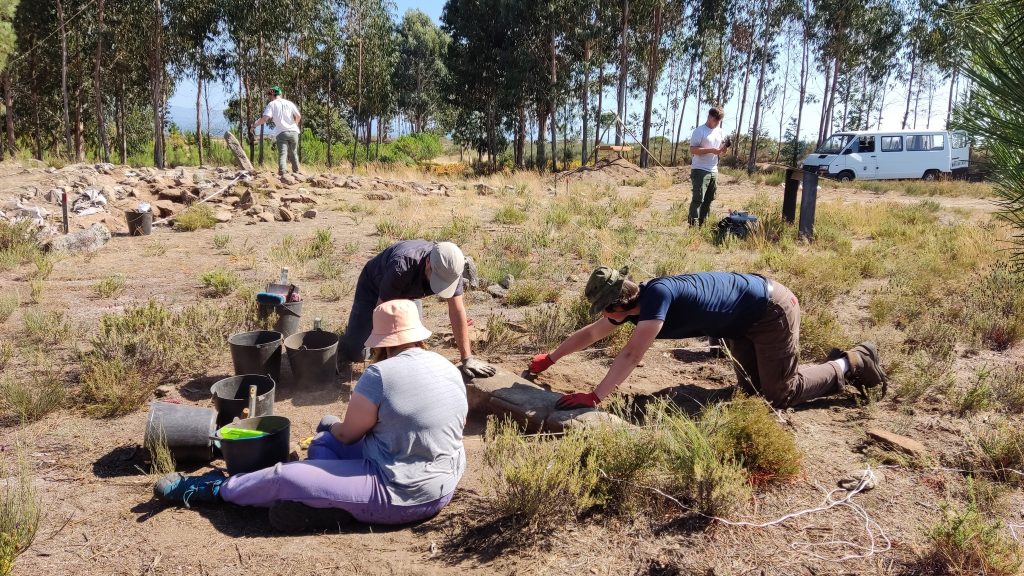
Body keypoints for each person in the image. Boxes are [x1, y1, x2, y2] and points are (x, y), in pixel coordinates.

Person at [154, 300, 468, 532]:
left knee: (288, 474)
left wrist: (332, 427)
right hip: (444, 483)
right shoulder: (446, 366)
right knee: (323, 438)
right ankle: (330, 506)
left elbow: (347, 435)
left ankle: (215, 489)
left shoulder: (381, 375)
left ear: (381, 342)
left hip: (398, 497)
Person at [528, 266, 887, 410]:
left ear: (621, 302)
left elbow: (630, 355)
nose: (605, 319)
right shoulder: (633, 304)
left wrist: (595, 396)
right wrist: (552, 358)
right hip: (740, 322)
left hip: (771, 311)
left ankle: (852, 361)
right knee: (752, 394)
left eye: (607, 311)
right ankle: (805, 368)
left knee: (780, 393)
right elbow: (591, 333)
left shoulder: (656, 299)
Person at [340, 239, 496, 381]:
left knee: (412, 345)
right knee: (357, 353)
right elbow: (382, 312)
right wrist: (386, 371)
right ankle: (349, 336)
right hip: (374, 287)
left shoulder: (452, 269)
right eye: (437, 280)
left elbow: (457, 311)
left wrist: (467, 358)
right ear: (428, 262)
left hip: (410, 294)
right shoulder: (402, 265)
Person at [688, 107, 729, 226]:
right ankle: (693, 225)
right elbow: (693, 150)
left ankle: (703, 223)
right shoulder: (699, 131)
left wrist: (724, 148)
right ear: (710, 117)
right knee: (698, 199)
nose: (717, 123)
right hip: (700, 169)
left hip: (713, 170)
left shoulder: (720, 131)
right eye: (716, 120)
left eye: (719, 121)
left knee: (709, 199)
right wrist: (711, 150)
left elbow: (722, 151)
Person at [253, 86, 302, 177]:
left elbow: (265, 119)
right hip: (294, 131)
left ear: (272, 94)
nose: (269, 97)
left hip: (281, 132)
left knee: (283, 153)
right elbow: (298, 116)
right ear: (280, 93)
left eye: (269, 95)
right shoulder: (289, 103)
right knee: (294, 152)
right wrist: (294, 124)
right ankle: (297, 173)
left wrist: (255, 125)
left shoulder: (272, 104)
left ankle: (283, 173)